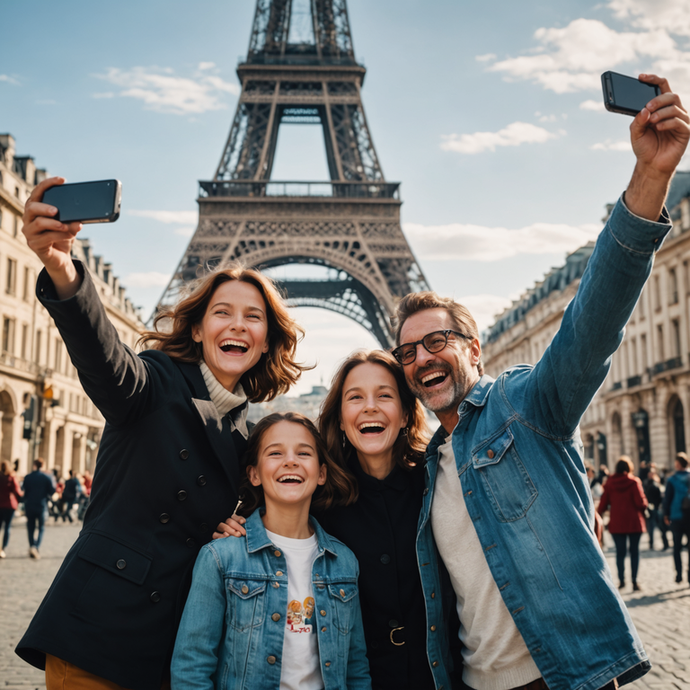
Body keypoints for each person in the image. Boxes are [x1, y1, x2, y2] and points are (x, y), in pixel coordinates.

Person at [390, 74, 688, 690]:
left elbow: (592, 323)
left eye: (438, 341)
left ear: (474, 349)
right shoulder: (424, 467)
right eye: (409, 351)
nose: (423, 358)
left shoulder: (527, 405)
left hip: (564, 679)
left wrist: (650, 179)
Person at [16, 173, 309, 690]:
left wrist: (228, 538)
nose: (237, 325)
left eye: (253, 317)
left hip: (171, 650)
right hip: (100, 633)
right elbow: (106, 357)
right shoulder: (152, 381)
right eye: (222, 312)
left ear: (266, 341)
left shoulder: (249, 438)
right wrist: (63, 269)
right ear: (197, 329)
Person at [216, 350, 460, 689]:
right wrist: (236, 526)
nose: (370, 407)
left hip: (437, 676)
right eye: (355, 397)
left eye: (384, 396)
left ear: (405, 414)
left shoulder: (440, 484)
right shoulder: (317, 502)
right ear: (342, 418)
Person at [171, 412, 371, 690]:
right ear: (254, 474)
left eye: (304, 453)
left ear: (321, 473)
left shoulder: (345, 563)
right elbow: (191, 666)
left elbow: (355, 669)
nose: (291, 461)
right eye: (275, 453)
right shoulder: (221, 558)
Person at [597, 456, 647, 590]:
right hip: (634, 523)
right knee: (634, 552)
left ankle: (622, 581)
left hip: (617, 523)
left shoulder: (610, 483)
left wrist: (598, 515)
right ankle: (635, 581)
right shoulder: (634, 481)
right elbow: (640, 503)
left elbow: (603, 503)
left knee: (620, 553)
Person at [663, 452, 690, 584]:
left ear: (678, 464)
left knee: (677, 548)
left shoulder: (672, 480)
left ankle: (679, 574)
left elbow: (667, 499)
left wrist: (666, 515)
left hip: (676, 516)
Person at [21, 458, 56, 559]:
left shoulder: (28, 477)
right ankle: (36, 547)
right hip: (41, 505)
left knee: (30, 527)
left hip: (30, 505)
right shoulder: (46, 477)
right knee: (41, 528)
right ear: (43, 465)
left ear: (34, 465)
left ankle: (32, 545)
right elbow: (52, 491)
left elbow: (24, 491)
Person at [0, 460, 23, 558]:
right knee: (7, 527)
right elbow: (17, 492)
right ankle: (3, 548)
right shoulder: (12, 477)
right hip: (10, 505)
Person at [643, 469, 668, 550]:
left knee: (660, 527)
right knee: (652, 527)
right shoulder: (646, 483)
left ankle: (665, 543)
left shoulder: (656, 483)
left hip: (656, 507)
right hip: (651, 507)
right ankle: (652, 543)